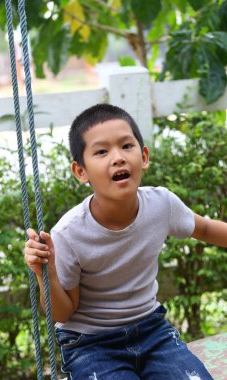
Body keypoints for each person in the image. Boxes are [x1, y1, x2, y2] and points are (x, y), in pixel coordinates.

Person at [24, 104, 226, 379]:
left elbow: (204, 228)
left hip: (153, 330)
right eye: (102, 151)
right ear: (81, 171)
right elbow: (63, 312)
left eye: (126, 146)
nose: (117, 157)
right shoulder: (69, 234)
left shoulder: (161, 204)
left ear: (143, 157)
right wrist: (46, 275)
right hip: (91, 343)